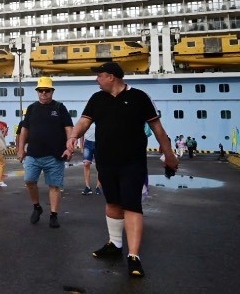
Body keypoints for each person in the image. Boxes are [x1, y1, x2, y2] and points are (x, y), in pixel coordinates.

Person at [67, 62, 178, 278]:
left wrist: (169, 155)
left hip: (133, 162)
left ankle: (134, 256)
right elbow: (84, 122)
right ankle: (115, 244)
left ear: (111, 77)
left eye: (99, 76)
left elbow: (158, 129)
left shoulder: (139, 97)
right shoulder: (97, 99)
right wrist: (72, 137)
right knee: (112, 203)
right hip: (106, 162)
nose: (96, 80)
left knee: (132, 206)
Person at [17, 76, 74, 229]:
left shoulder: (59, 107)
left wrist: (69, 147)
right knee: (29, 180)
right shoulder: (31, 108)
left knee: (54, 186)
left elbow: (68, 128)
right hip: (33, 154)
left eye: (46, 90)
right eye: (40, 91)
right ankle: (37, 207)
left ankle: (53, 215)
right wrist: (21, 149)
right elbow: (24, 130)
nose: (43, 93)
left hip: (55, 155)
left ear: (52, 91)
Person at [81, 123, 102, 195]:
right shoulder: (88, 120)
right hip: (88, 143)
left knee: (100, 165)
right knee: (86, 164)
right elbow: (82, 131)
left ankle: (98, 187)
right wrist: (81, 146)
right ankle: (87, 187)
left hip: (99, 143)